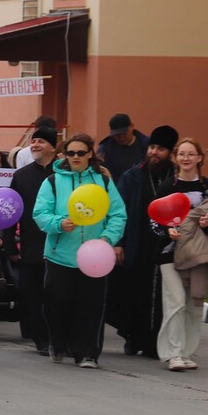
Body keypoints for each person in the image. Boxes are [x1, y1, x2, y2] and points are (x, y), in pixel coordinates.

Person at [32, 134, 128, 369]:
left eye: (81, 153)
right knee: (56, 304)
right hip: (60, 254)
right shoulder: (53, 182)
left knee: (91, 306)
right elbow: (40, 213)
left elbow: (117, 214)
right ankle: (59, 342)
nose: (76, 157)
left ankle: (88, 353)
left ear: (90, 155)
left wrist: (107, 238)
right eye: (71, 153)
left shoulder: (103, 182)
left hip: (95, 257)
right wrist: (58, 223)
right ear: (64, 155)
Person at [155, 138, 208, 371]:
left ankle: (187, 352)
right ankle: (173, 353)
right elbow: (154, 220)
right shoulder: (167, 187)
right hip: (170, 253)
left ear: (199, 158)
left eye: (190, 154)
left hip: (198, 255)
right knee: (175, 302)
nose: (186, 158)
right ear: (175, 158)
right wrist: (168, 231)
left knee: (193, 304)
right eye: (181, 154)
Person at [108, 125, 178, 358]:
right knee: (133, 294)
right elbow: (118, 211)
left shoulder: (175, 180)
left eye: (160, 149)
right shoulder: (133, 176)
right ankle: (133, 337)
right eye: (152, 147)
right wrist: (118, 242)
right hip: (136, 244)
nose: (154, 152)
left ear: (170, 152)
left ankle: (156, 342)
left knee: (160, 298)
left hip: (165, 246)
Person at [10, 125, 60, 354]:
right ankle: (41, 339)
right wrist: (10, 245)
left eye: (41, 141)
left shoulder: (63, 175)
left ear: (53, 146)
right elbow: (10, 211)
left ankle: (57, 337)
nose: (35, 145)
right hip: (30, 246)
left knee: (56, 295)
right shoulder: (21, 176)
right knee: (32, 295)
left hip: (59, 246)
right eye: (33, 141)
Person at [97, 113, 149, 183]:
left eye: (124, 134)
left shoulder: (146, 145)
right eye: (117, 135)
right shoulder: (105, 149)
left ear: (132, 126)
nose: (121, 138)